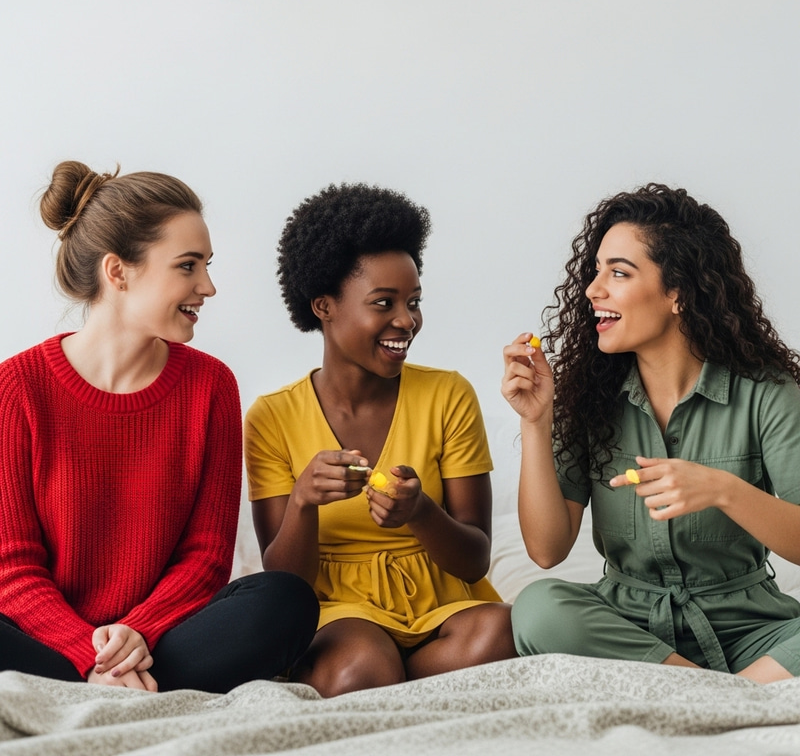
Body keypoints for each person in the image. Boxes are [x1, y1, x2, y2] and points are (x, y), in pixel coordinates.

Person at [0, 160, 319, 693]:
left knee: (284, 599)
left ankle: (111, 684)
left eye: (207, 266)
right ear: (118, 271)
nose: (208, 287)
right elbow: (12, 567)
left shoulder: (211, 386)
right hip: (50, 643)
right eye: (188, 266)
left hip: (165, 638)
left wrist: (137, 633)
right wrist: (88, 652)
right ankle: (119, 685)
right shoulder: (16, 388)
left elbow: (207, 557)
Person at [501, 183, 800, 684]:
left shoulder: (769, 393)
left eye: (617, 272)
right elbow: (547, 551)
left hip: (753, 631)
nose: (593, 289)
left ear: (678, 291)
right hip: (632, 630)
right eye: (596, 270)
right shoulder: (586, 397)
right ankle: (728, 694)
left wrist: (722, 490)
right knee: (537, 607)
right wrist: (535, 420)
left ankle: (695, 693)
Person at [245, 182, 516, 697]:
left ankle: (397, 678)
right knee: (362, 666)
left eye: (413, 302)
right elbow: (284, 585)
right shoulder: (272, 417)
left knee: (502, 632)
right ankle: (392, 675)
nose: (406, 321)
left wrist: (420, 513)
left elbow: (475, 557)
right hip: (338, 613)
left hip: (444, 605)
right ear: (323, 306)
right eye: (383, 302)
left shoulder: (448, 395)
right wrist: (302, 500)